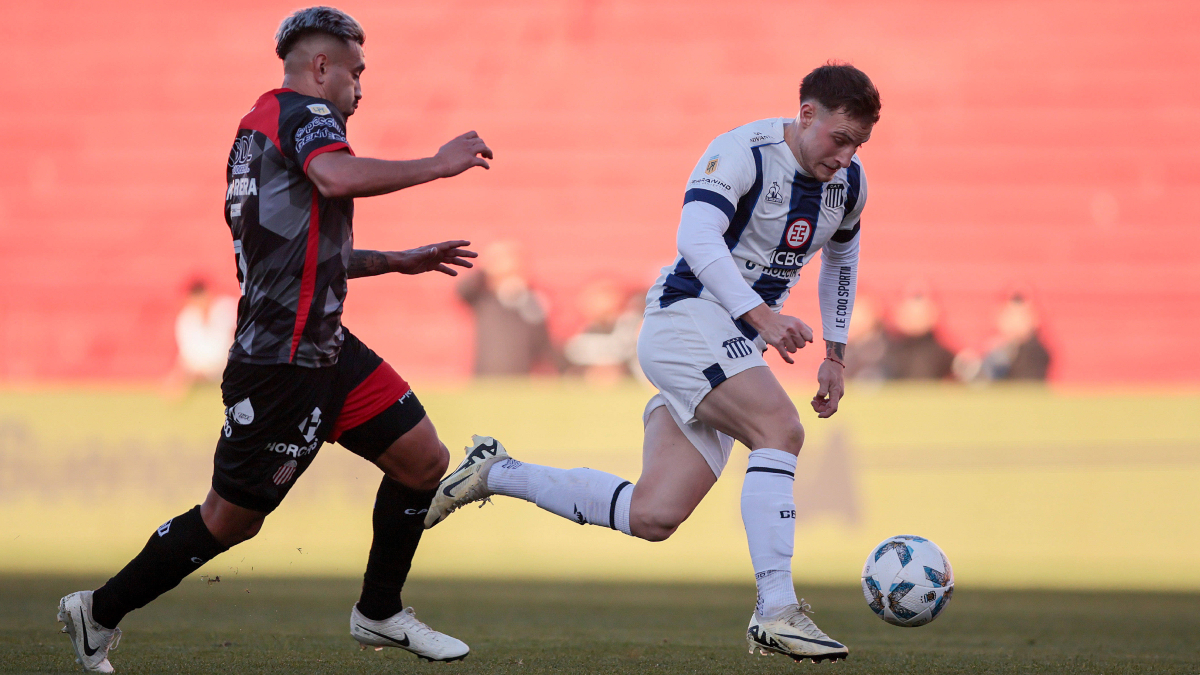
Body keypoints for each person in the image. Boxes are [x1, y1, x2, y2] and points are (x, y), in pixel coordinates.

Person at [57, 7, 492, 671]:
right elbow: (337, 178)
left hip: (325, 347)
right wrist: (438, 163)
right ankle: (99, 609)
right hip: (279, 363)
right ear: (322, 67)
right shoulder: (307, 116)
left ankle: (379, 611)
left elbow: (292, 253)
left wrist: (392, 261)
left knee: (422, 459)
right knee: (231, 520)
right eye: (355, 71)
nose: (360, 86)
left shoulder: (254, 132)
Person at [426, 63, 879, 663]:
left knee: (654, 514)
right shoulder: (743, 151)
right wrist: (761, 316)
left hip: (732, 339)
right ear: (805, 115)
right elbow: (696, 238)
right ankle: (776, 610)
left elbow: (841, 263)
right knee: (781, 430)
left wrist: (835, 355)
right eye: (839, 138)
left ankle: (496, 472)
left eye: (858, 144)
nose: (845, 156)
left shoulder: (849, 185)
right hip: (684, 319)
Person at [455, 240, 558, 376]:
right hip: (487, 372)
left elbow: (541, 338)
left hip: (522, 373)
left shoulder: (531, 298)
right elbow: (462, 290)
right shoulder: (484, 297)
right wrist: (485, 269)